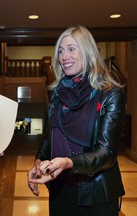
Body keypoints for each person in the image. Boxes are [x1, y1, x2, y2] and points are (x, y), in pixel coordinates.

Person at [28, 26, 125, 216]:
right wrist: (38, 162)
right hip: (59, 190)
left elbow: (106, 153)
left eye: (71, 49)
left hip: (95, 194)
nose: (64, 57)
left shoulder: (110, 93)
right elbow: (49, 138)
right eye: (61, 51)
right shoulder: (58, 93)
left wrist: (67, 162)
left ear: (87, 51)